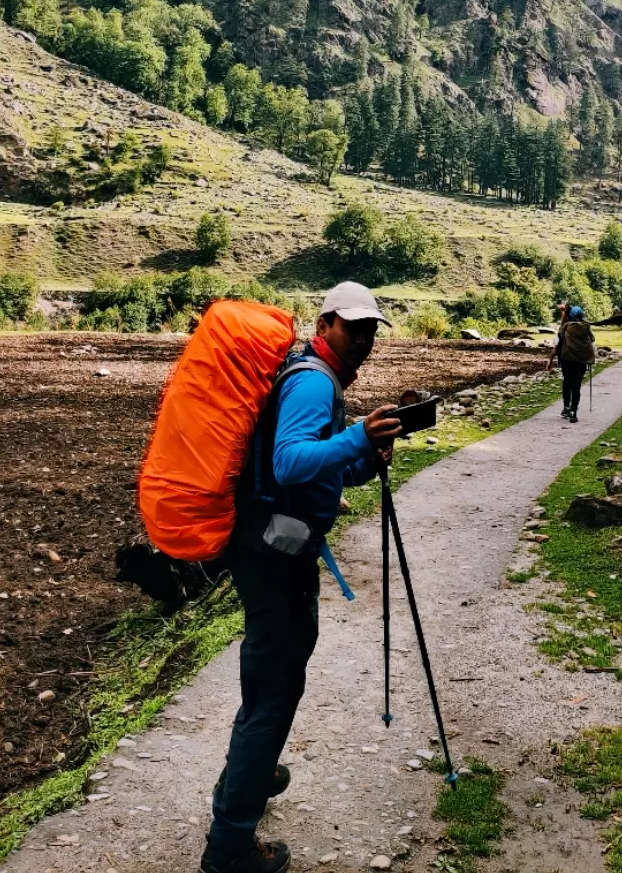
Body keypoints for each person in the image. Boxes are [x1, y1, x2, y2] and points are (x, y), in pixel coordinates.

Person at [202, 281, 402, 873]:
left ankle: (253, 774)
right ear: (327, 324)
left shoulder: (313, 374)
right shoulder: (314, 379)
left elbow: (318, 472)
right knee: (272, 696)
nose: (363, 338)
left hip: (271, 546)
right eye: (353, 326)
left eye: (370, 328)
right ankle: (230, 848)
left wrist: (364, 455)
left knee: (272, 681)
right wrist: (356, 436)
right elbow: (290, 462)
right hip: (273, 556)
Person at [553, 304, 595, 423]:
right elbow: (592, 339)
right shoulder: (586, 326)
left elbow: (559, 337)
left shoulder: (566, 326)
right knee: (577, 385)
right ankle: (573, 412)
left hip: (567, 359)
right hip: (582, 360)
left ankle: (566, 407)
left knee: (567, 382)